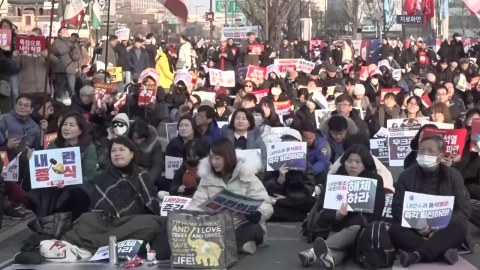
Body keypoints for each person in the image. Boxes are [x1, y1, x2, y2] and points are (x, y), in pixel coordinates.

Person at [61, 137, 171, 260]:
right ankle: (109, 244)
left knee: (153, 224)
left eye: (122, 149)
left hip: (132, 223)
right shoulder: (103, 177)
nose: (117, 153)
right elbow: (98, 211)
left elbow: (152, 207)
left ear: (132, 154)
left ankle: (102, 245)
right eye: (113, 151)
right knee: (86, 220)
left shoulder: (141, 174)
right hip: (106, 225)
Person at [389, 134, 471, 267]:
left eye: (431, 151)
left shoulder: (453, 176)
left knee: (460, 228)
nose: (425, 154)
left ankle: (416, 255)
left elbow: (464, 209)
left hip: (444, 228)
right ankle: (441, 251)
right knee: (395, 230)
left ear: (441, 155)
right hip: (414, 228)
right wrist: (416, 226)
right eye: (422, 150)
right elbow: (397, 208)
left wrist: (439, 225)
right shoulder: (406, 176)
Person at [298, 144, 385, 267]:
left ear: (366, 164)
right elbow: (322, 209)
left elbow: (376, 213)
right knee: (342, 242)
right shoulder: (335, 180)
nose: (353, 165)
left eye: (358, 162)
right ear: (344, 162)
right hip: (335, 226)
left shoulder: (375, 180)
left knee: (354, 231)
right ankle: (331, 259)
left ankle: (313, 253)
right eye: (349, 161)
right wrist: (337, 216)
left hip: (361, 229)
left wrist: (352, 223)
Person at [187, 138, 273, 254]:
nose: (214, 162)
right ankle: (238, 247)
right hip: (215, 227)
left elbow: (265, 203)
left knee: (253, 229)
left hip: (240, 225)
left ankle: (226, 247)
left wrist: (258, 214)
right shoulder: (207, 177)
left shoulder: (247, 175)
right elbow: (197, 203)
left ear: (228, 157)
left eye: (217, 158)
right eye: (211, 158)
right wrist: (192, 218)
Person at [263, 129, 316, 222]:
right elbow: (266, 187)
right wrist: (279, 181)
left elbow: (308, 190)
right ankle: (299, 216)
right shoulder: (273, 163)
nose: (289, 144)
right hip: (276, 199)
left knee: (313, 201)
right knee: (265, 204)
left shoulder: (307, 166)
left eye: (292, 141)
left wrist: (287, 199)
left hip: (294, 202)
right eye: (286, 141)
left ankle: (284, 213)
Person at [329, 133, 394, 193]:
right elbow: (330, 183)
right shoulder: (339, 164)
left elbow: (387, 187)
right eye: (350, 160)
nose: (353, 165)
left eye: (358, 161)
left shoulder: (376, 166)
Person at [128, 119, 163, 184]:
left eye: (141, 138)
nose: (138, 141)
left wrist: (147, 182)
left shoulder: (155, 145)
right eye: (135, 138)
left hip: (147, 172)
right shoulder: (126, 143)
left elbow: (157, 166)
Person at [51, 27, 81, 96]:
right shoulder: (56, 42)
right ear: (59, 33)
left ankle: (72, 104)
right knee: (60, 90)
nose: (66, 31)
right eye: (63, 31)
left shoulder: (74, 43)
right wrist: (69, 49)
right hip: (60, 70)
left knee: (71, 90)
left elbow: (78, 56)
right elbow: (57, 52)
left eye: (66, 30)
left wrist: (72, 54)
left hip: (70, 70)